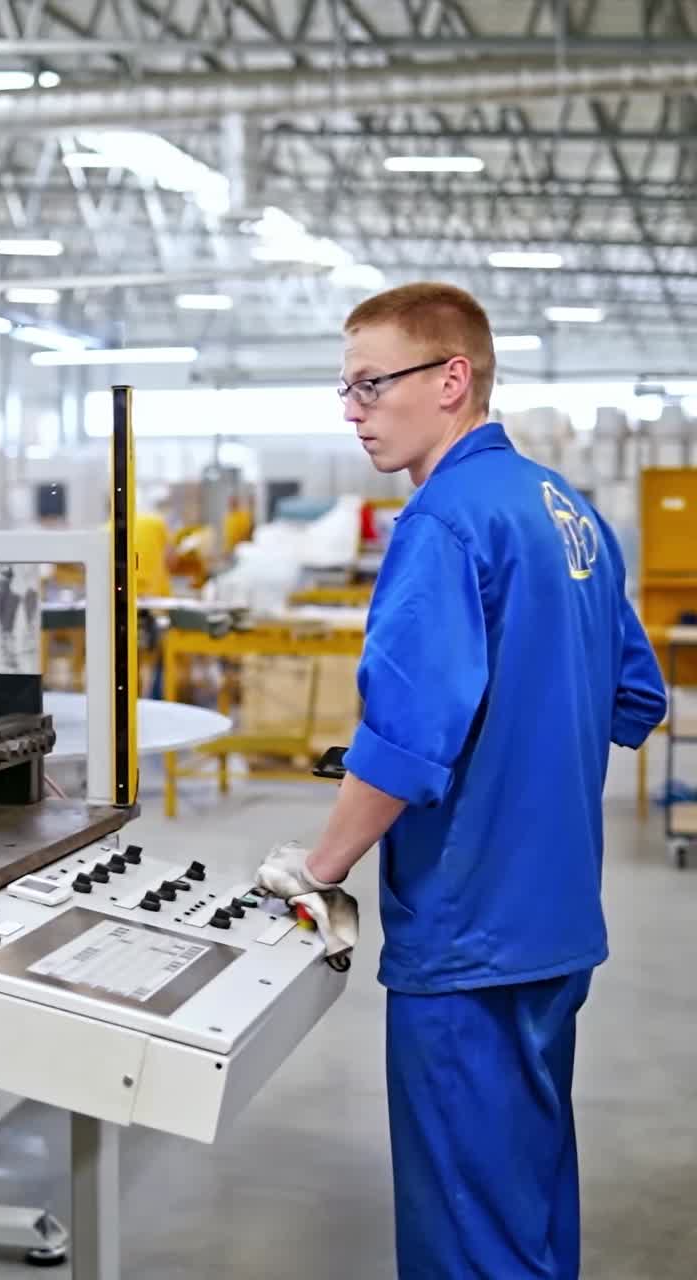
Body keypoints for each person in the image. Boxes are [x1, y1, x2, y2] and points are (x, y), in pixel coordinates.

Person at [255, 282, 667, 1279]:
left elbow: (401, 738)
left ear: (450, 379)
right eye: (342, 389)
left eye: (368, 385)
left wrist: (316, 865)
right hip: (555, 921)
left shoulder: (441, 522)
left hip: (468, 930)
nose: (351, 412)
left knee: (464, 1234)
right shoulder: (564, 509)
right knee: (521, 1197)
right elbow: (632, 696)